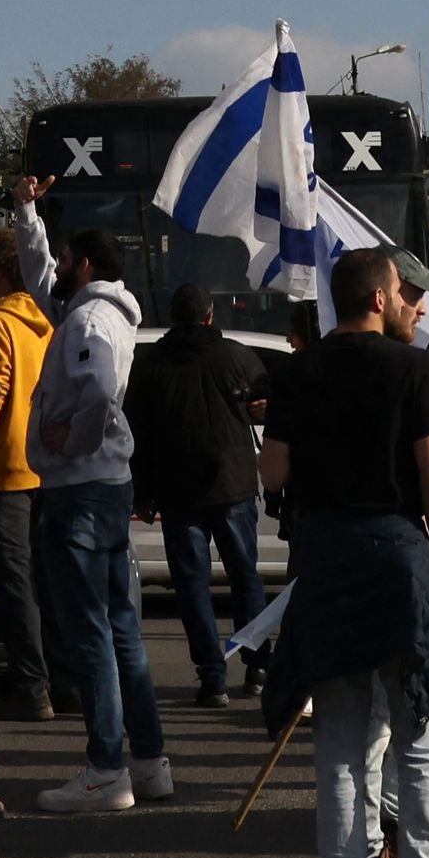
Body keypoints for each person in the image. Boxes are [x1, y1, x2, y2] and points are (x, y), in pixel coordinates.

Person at [265, 248, 429, 858]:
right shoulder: (414, 367)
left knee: (338, 750)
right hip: (397, 559)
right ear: (383, 298)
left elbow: (273, 472)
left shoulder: (296, 371)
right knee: (418, 750)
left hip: (328, 560)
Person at [27, 230, 172, 812]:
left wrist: (72, 445)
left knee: (90, 635)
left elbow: (100, 389)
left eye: (63, 259)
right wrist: (29, 216)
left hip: (80, 491)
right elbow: (41, 284)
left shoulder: (88, 323)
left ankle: (106, 768)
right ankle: (148, 761)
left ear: (83, 264)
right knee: (121, 632)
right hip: (105, 490)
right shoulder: (98, 311)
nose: (56, 269)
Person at [129, 282, 268, 702]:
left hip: (177, 493)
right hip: (232, 486)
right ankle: (258, 666)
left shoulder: (151, 364)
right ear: (210, 316)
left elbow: (138, 433)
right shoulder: (237, 357)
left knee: (192, 587)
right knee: (245, 579)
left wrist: (143, 492)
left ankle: (212, 676)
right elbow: (266, 403)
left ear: (174, 317)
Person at [0, 216, 58, 724]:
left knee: (15, 584)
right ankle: (59, 680)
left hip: (3, 473)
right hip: (44, 467)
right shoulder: (44, 322)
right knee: (43, 581)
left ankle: (31, 686)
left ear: (2, 270)